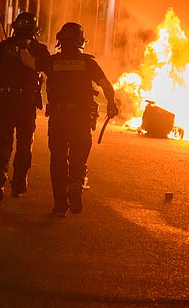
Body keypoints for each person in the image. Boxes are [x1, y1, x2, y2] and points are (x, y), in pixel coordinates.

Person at [20, 22, 118, 217]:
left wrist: (23, 44)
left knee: (57, 159)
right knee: (78, 156)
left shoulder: (52, 62)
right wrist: (111, 103)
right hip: (81, 117)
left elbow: (29, 63)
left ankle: (59, 206)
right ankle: (75, 181)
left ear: (60, 41)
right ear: (79, 41)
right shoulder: (88, 63)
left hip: (58, 117)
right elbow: (105, 84)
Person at [0, 12, 50, 202]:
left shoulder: (3, 46)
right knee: (24, 144)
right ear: (34, 30)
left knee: (4, 143)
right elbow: (47, 68)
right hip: (26, 104)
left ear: (15, 28)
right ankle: (20, 183)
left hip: (4, 101)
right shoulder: (39, 49)